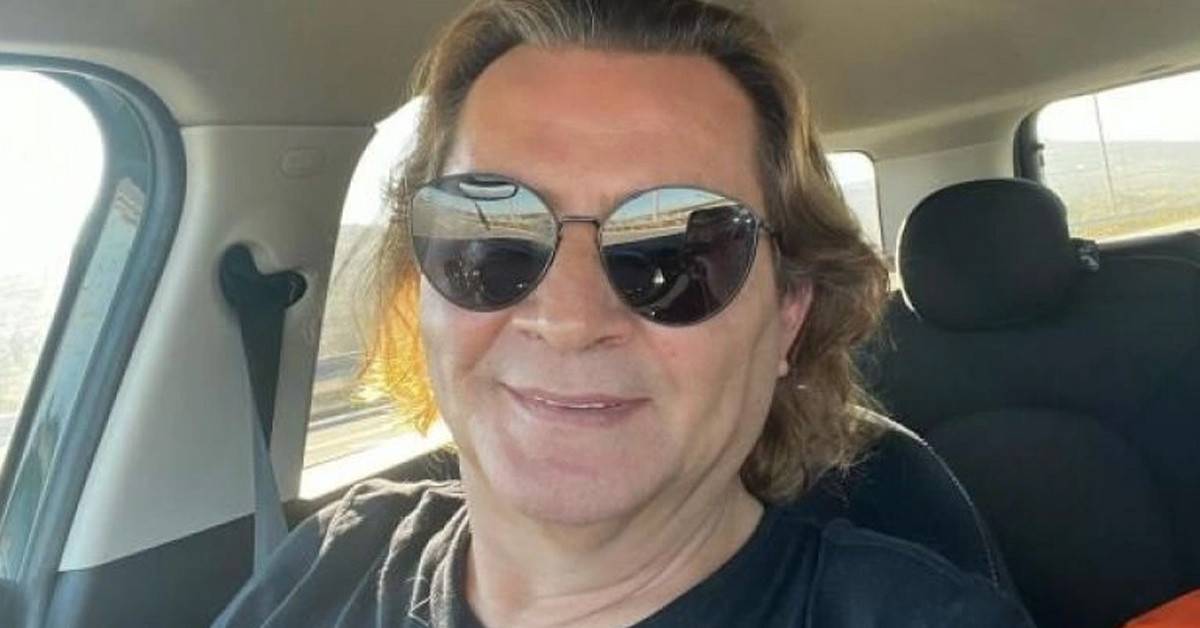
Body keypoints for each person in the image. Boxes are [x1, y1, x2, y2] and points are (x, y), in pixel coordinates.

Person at [215, 0, 1035, 626]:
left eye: (675, 251)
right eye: (490, 235)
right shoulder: (328, 563)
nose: (569, 319)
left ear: (787, 313)